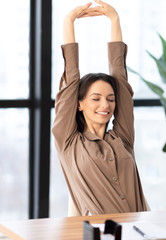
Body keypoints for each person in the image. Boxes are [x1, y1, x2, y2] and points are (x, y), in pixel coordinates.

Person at [52, 0, 149, 216]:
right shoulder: (69, 142)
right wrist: (69, 21)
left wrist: (114, 19)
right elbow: (70, 82)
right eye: (95, 99)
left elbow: (120, 79)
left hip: (141, 230)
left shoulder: (122, 139)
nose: (105, 105)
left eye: (110, 99)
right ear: (79, 104)